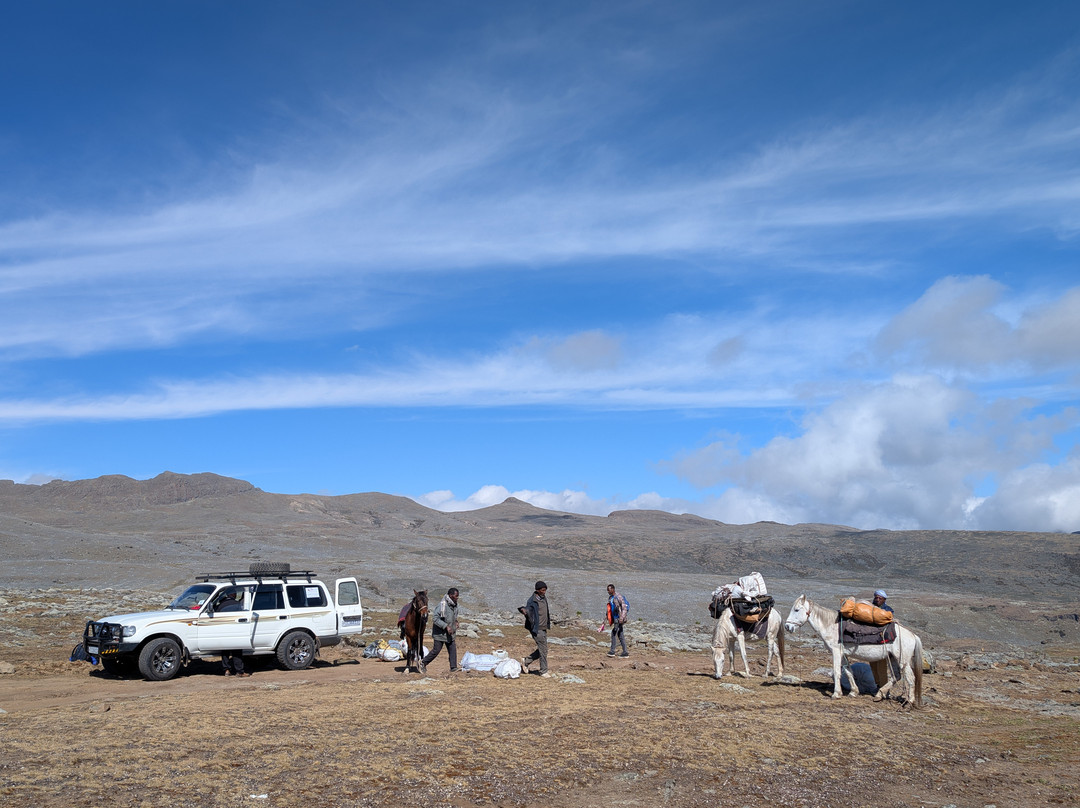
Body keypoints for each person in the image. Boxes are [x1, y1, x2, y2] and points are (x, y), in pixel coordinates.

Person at [422, 588, 460, 672]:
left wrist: (456, 622)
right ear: (450, 595)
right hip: (440, 633)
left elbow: (453, 616)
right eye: (456, 596)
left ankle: (453, 667)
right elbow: (435, 618)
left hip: (450, 633)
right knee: (436, 650)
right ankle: (423, 662)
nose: (457, 598)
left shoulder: (454, 605)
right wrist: (446, 626)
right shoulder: (442, 605)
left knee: (452, 649)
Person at [214, 590, 250, 677]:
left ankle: (227, 670)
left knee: (225, 651)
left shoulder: (220, 605)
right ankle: (239, 671)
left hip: (223, 630)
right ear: (233, 594)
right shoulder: (237, 604)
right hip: (235, 629)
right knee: (237, 650)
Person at [520, 581, 551, 678]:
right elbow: (528, 611)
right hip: (537, 629)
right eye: (542, 590)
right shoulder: (532, 601)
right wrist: (524, 611)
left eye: (545, 590)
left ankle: (526, 661)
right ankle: (543, 671)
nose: (544, 592)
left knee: (544, 650)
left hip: (543, 627)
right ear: (537, 590)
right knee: (543, 650)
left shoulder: (543, 598)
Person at [604, 583, 629, 658]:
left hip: (619, 618)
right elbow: (610, 609)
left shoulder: (618, 597)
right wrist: (606, 617)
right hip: (615, 618)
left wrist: (621, 618)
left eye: (609, 590)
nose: (608, 591)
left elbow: (624, 608)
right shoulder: (610, 598)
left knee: (614, 633)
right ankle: (625, 652)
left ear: (613, 589)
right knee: (620, 634)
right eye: (607, 590)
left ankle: (612, 651)